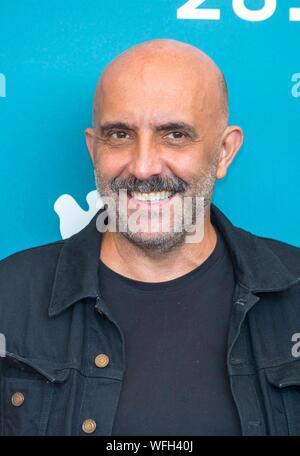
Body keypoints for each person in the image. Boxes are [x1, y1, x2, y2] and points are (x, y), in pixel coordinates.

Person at [1, 38, 300, 436]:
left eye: (174, 134)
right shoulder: (9, 295)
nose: (143, 167)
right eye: (120, 135)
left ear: (225, 152)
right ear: (94, 150)